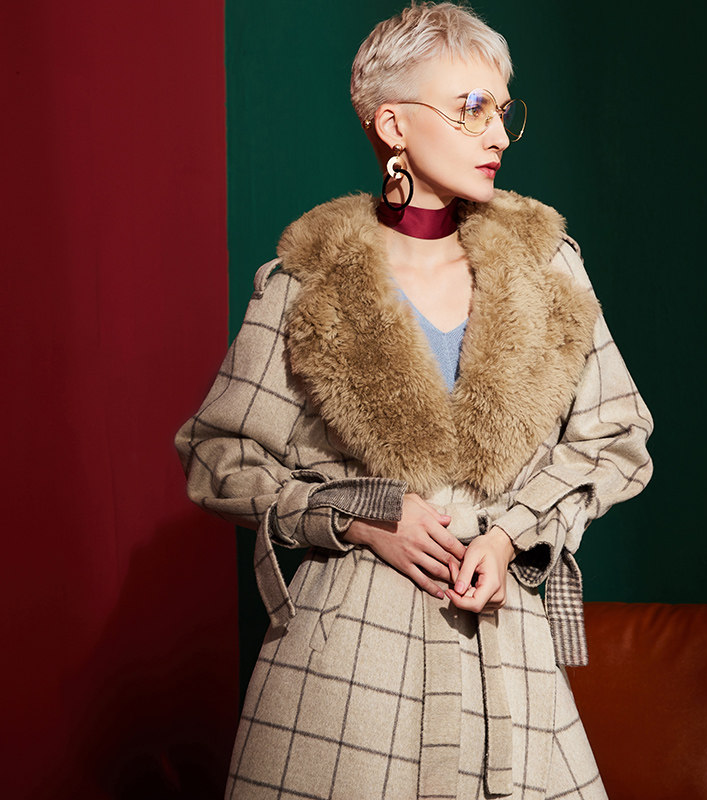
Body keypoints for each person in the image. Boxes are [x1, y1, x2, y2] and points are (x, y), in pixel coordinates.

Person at [175, 3, 653, 798]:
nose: (498, 136)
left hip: (507, 653)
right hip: (346, 674)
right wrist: (358, 517)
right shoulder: (306, 281)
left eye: (503, 111)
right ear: (393, 124)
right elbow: (217, 455)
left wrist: (511, 535)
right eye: (472, 109)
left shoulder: (547, 266)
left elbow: (616, 436)